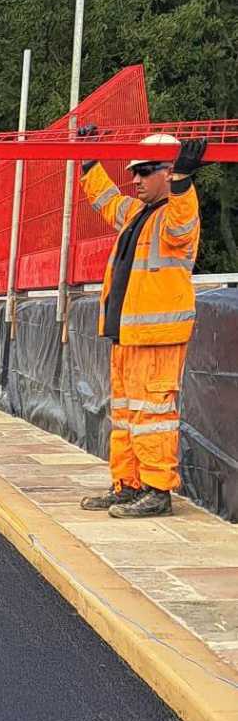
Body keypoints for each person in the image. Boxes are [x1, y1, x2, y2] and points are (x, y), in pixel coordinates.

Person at [75, 130, 206, 518]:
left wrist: (184, 183)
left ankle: (156, 491)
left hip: (155, 336)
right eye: (134, 171)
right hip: (130, 334)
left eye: (144, 171)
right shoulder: (139, 213)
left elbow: (182, 225)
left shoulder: (176, 214)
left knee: (153, 418)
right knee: (128, 417)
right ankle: (128, 485)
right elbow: (107, 201)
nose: (135, 179)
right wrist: (89, 162)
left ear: (168, 173)